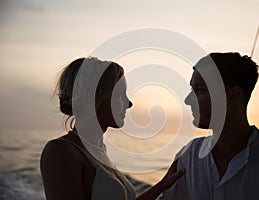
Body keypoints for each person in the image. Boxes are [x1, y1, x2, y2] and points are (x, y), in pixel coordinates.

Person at [40, 57, 185, 200]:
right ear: (96, 96)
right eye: (120, 94)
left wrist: (161, 186)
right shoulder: (60, 151)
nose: (129, 104)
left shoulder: (99, 150)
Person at [161, 52, 259, 199]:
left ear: (233, 95)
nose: (188, 100)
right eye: (191, 90)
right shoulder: (188, 156)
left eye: (199, 90)